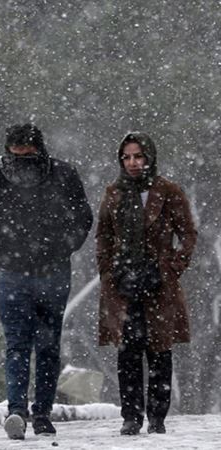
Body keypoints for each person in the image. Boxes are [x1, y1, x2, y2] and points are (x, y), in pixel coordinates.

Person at [0, 123, 93, 439]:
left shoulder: (62, 175)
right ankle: (21, 411)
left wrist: (59, 246)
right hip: (18, 271)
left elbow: (82, 218)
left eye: (27, 153)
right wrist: (8, 244)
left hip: (46, 271)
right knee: (25, 344)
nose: (22, 160)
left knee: (41, 345)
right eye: (17, 154)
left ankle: (36, 411)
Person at [95, 131, 196, 435]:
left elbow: (188, 233)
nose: (133, 163)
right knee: (127, 352)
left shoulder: (168, 190)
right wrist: (109, 271)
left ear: (149, 156)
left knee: (159, 351)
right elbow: (104, 236)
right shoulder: (114, 192)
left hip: (158, 284)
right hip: (123, 284)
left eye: (138, 156)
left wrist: (172, 267)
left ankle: (157, 416)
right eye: (126, 157)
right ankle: (131, 416)